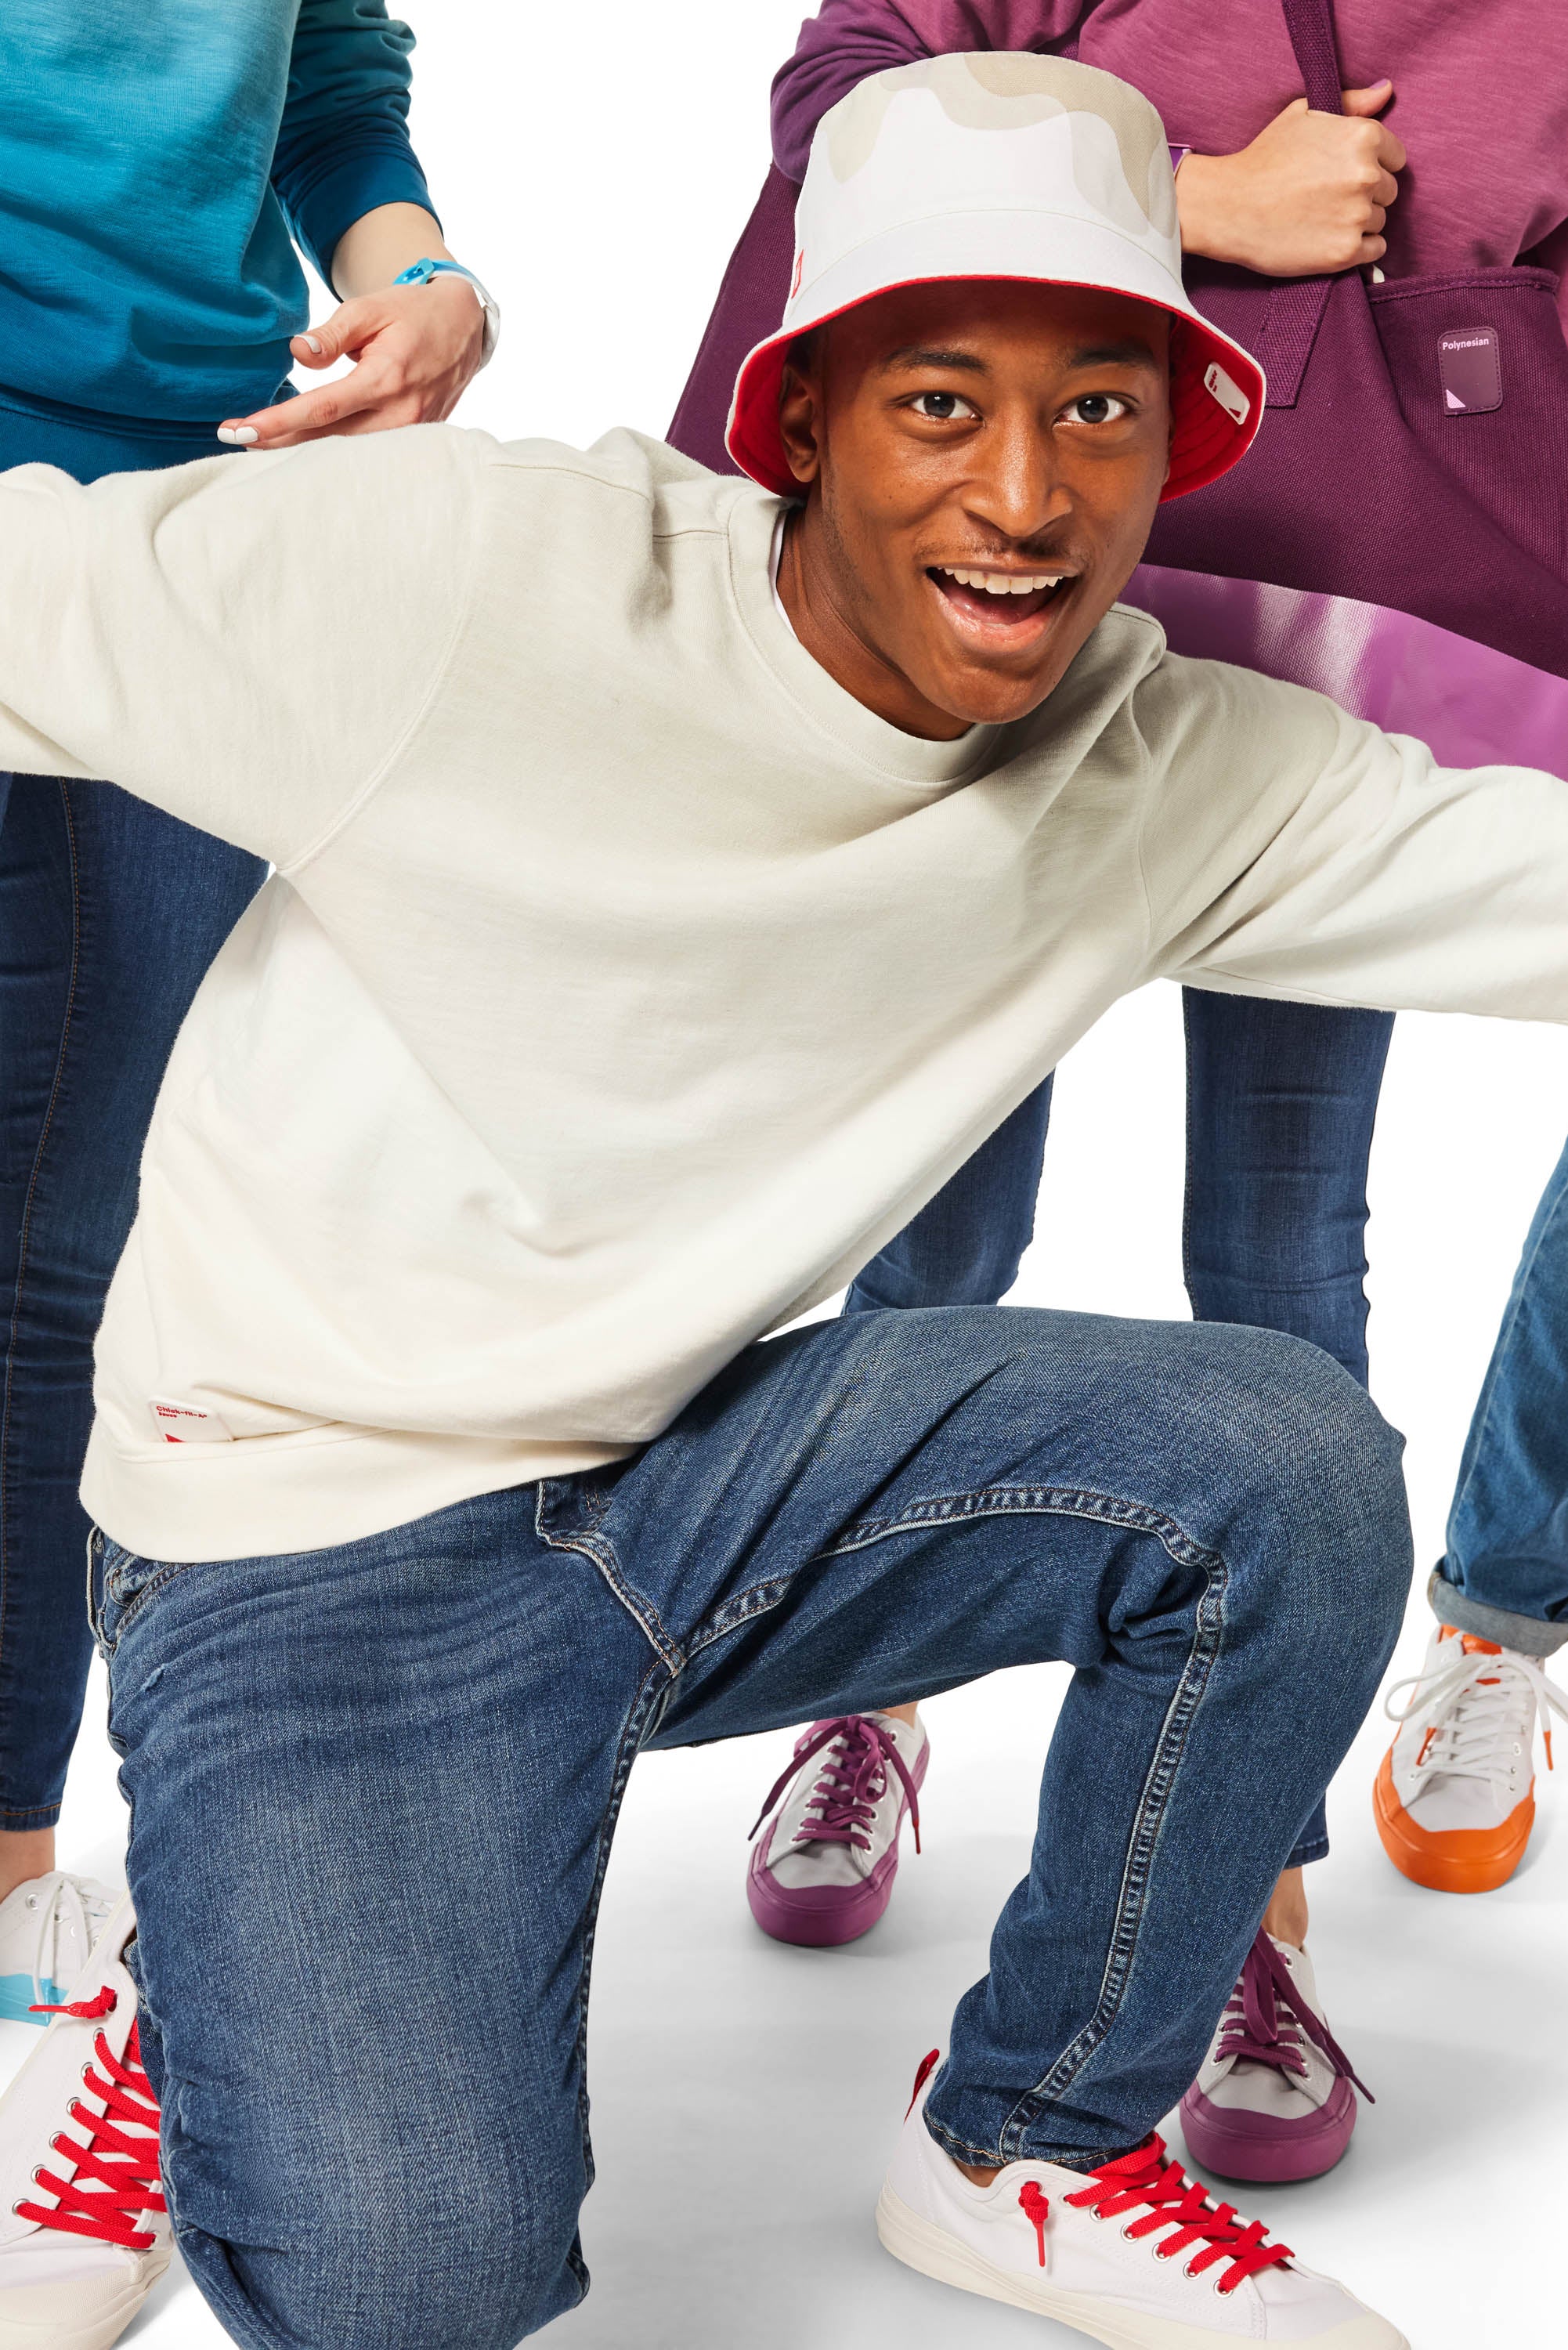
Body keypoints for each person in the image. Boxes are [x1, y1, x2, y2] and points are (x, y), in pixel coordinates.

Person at [4, 53, 1568, 2348]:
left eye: (1100, 413)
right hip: (308, 1534)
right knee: (407, 2289)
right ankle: (208, 1978)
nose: (1024, 498)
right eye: (942, 405)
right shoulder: (461, 582)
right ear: (803, 417)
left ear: (1177, 446)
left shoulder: (1156, 760)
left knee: (1275, 1461)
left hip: (692, 1490)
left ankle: (1026, 2144)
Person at [670, 0, 1568, 2181]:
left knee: (1276, 1256)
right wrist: (1202, 206)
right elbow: (842, 108)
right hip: (1001, 583)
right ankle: (864, 1692)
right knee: (934, 1214)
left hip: (1349, 623)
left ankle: (1238, 1908)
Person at [0, 0, 493, 2023]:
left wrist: (423, 281)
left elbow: (332, 87)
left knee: (81, 1248)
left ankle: (22, 1877)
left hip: (216, 510)